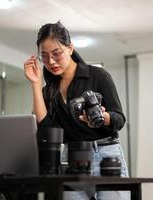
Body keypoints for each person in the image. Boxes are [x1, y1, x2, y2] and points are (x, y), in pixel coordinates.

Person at [24, 21, 129, 200]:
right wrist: (35, 83)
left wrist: (103, 117)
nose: (50, 61)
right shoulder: (49, 90)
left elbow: (119, 118)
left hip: (106, 154)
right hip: (72, 159)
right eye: (44, 56)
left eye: (56, 54)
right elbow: (47, 129)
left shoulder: (97, 76)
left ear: (70, 48)